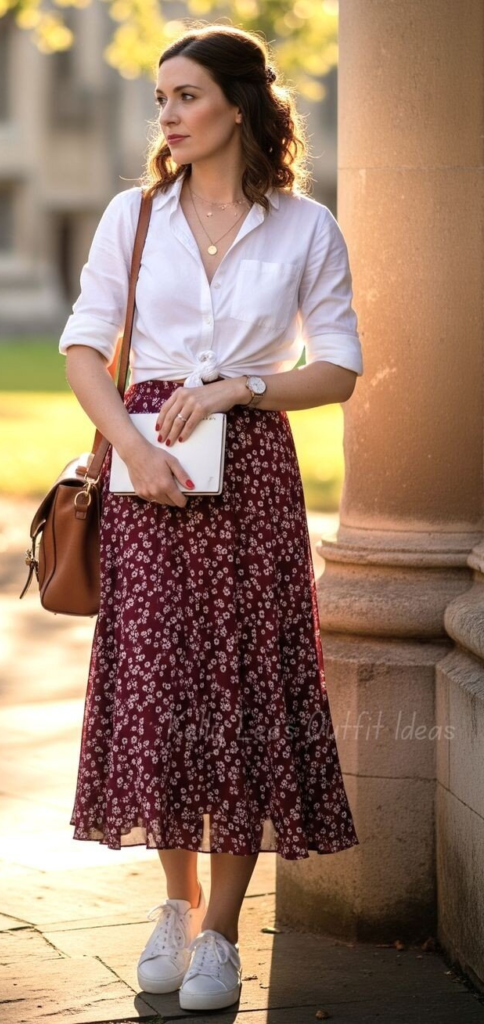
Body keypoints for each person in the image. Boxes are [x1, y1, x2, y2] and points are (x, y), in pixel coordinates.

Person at [58, 23, 363, 1015]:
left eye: (186, 95)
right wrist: (136, 450)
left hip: (255, 481)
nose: (169, 114)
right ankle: (174, 902)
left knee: (238, 695)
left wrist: (240, 387)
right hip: (146, 487)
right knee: (161, 691)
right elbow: (81, 347)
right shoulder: (130, 217)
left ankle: (224, 930)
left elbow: (340, 367)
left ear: (239, 104)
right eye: (161, 99)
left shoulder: (306, 227)